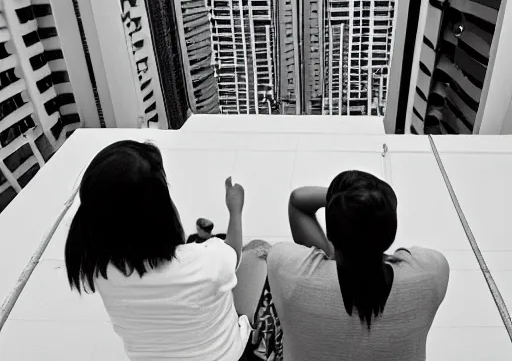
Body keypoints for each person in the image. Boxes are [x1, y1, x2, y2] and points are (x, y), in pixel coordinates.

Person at [64, 140, 254, 361]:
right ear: (159, 212)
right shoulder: (208, 261)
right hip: (230, 355)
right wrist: (235, 210)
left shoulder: (101, 273)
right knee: (255, 259)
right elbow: (234, 253)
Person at [267, 170, 450, 361]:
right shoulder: (431, 273)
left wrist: (347, 200)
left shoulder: (289, 271)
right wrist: (365, 205)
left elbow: (298, 201)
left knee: (258, 249)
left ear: (332, 232)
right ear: (390, 234)